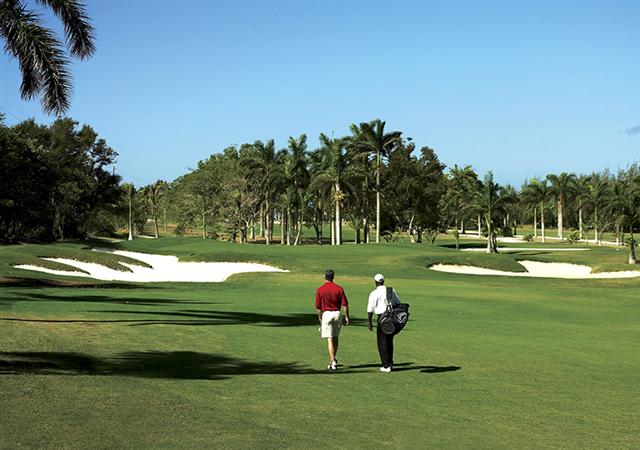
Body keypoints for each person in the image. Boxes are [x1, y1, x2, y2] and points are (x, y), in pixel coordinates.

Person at [315, 269, 350, 370]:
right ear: (333, 277)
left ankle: (333, 361)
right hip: (337, 313)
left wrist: (320, 319)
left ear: (324, 277)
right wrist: (347, 316)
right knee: (335, 337)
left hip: (327, 314)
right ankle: (333, 359)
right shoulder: (339, 288)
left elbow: (318, 308)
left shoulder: (320, 289)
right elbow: (345, 305)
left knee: (330, 339)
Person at [367, 273, 401, 372]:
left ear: (375, 282)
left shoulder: (373, 293)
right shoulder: (391, 290)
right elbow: (398, 303)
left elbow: (370, 310)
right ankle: (390, 362)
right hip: (391, 318)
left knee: (382, 342)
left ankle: (386, 366)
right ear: (383, 281)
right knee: (389, 341)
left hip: (381, 318)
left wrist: (369, 322)